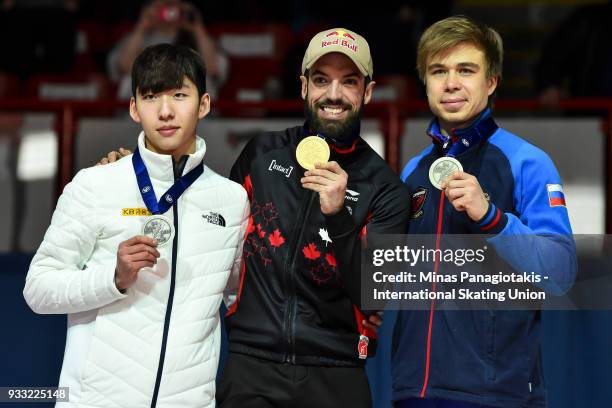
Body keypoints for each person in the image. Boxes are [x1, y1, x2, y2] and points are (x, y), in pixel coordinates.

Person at [23, 44, 249, 408]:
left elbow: (240, 298)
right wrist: (112, 279)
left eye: (179, 95)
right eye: (150, 96)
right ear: (133, 108)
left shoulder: (231, 199)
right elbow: (37, 289)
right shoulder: (94, 185)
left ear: (203, 104)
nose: (165, 111)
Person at [215, 27, 411, 407]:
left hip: (336, 374)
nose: (334, 95)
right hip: (251, 367)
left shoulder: (385, 188)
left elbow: (375, 294)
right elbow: (209, 225)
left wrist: (338, 215)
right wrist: (132, 173)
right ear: (303, 86)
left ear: (367, 92)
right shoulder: (262, 153)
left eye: (348, 82)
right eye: (322, 80)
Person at [392, 16, 576, 408]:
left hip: (495, 392)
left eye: (466, 70)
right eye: (438, 71)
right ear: (425, 82)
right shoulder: (412, 171)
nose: (451, 83)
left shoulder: (526, 162)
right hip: (414, 388)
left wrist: (493, 218)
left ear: (491, 82)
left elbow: (560, 271)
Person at [107, 0, 228, 101]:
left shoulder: (199, 39)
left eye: (173, 5)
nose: (169, 10)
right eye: (164, 4)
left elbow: (212, 69)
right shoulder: (136, 37)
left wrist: (197, 27)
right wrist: (141, 26)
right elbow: (124, 67)